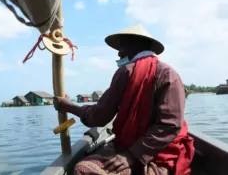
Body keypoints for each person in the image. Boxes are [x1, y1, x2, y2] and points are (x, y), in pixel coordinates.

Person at [53, 24, 194, 175]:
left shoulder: (127, 72)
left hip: (157, 153)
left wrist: (131, 155)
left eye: (122, 47)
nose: (119, 54)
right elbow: (172, 124)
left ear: (134, 45)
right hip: (154, 148)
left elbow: (98, 117)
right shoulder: (170, 73)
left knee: (82, 170)